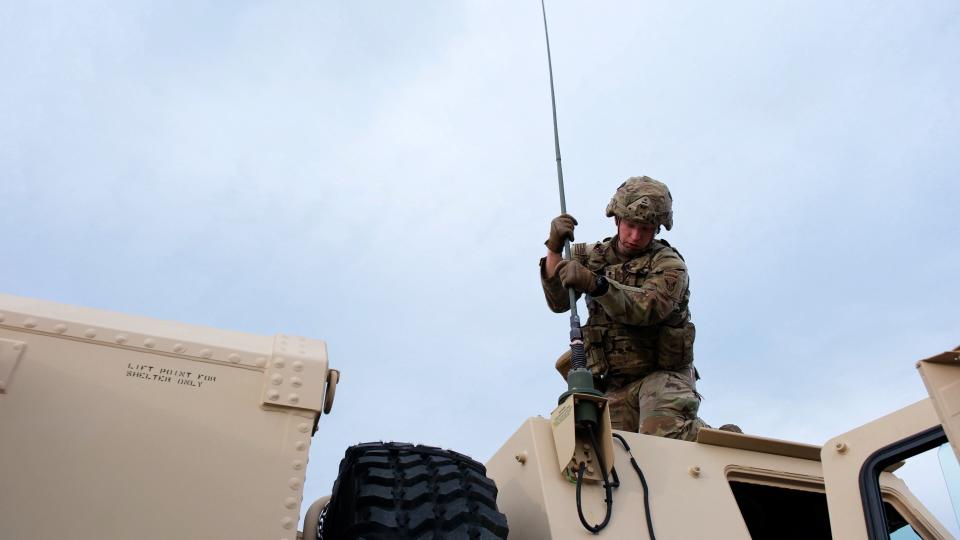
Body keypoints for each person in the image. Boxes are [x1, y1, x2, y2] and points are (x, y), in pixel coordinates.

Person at [540, 176, 737, 441]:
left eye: (645, 229)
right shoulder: (592, 256)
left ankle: (713, 441)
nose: (635, 236)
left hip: (662, 377)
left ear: (657, 229)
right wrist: (554, 249)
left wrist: (597, 285)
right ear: (617, 220)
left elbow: (647, 308)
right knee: (606, 453)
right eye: (631, 226)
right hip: (615, 385)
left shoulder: (669, 265)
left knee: (663, 437)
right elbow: (559, 302)